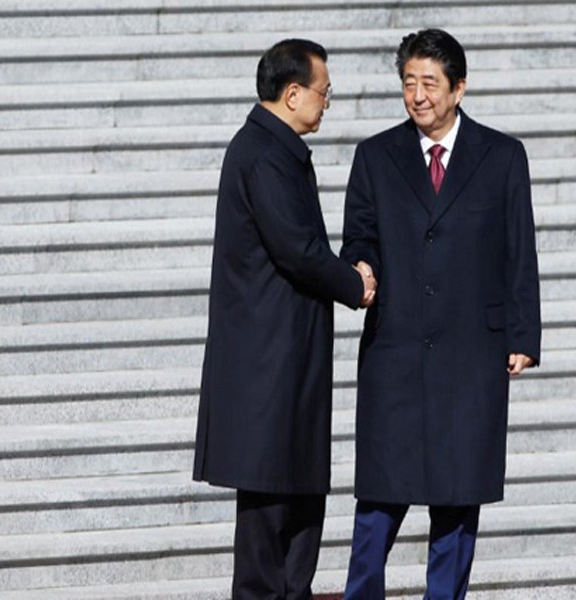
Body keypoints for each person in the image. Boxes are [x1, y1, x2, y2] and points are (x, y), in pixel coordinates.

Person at [340, 29, 541, 599]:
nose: (418, 95)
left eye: (430, 82)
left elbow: (518, 249)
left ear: (459, 88)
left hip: (469, 354)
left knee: (456, 503)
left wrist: (523, 333)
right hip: (395, 351)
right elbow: (359, 236)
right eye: (409, 82)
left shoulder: (501, 156)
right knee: (378, 502)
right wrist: (362, 267)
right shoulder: (375, 156)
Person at [192, 38, 376, 600]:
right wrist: (356, 282)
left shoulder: (275, 149)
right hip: (266, 365)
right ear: (292, 93)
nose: (326, 104)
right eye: (323, 93)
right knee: (269, 515)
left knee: (296, 507)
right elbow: (297, 249)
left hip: (288, 359)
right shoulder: (262, 154)